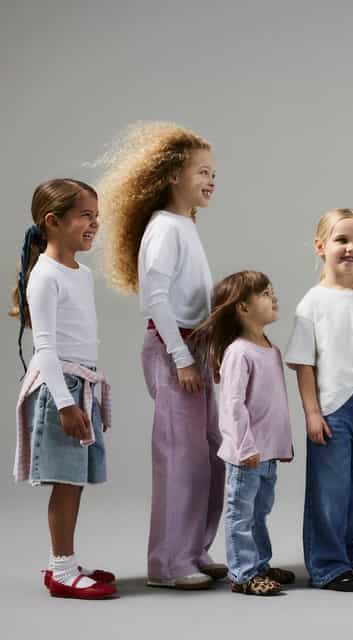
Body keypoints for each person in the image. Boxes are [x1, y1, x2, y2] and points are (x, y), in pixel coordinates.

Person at [98, 122, 225, 589]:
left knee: (211, 453)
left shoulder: (185, 225)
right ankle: (167, 563)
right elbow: (154, 298)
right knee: (180, 457)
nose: (211, 181)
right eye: (202, 172)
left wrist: (208, 349)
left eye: (214, 174)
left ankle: (195, 549)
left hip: (197, 346)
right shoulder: (164, 228)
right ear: (172, 175)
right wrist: (181, 358)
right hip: (175, 349)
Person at [12, 179, 116, 599]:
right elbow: (46, 348)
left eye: (96, 216)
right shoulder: (44, 276)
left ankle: (67, 562)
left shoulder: (81, 273)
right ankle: (61, 570)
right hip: (61, 388)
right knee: (65, 481)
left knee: (74, 479)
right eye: (85, 216)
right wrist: (65, 403)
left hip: (79, 383)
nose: (94, 224)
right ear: (53, 221)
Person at [285, 208, 353, 591]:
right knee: (330, 490)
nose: (351, 248)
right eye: (342, 240)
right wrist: (312, 413)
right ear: (320, 246)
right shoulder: (312, 303)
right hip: (333, 406)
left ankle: (349, 555)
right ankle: (327, 565)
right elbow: (303, 363)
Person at [190, 270, 295, 596]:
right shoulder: (239, 352)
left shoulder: (271, 349)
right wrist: (245, 446)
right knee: (241, 514)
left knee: (259, 513)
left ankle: (260, 564)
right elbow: (233, 406)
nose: (273, 297)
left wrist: (282, 445)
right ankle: (243, 573)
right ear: (243, 308)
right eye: (265, 294)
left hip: (268, 453)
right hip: (246, 455)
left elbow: (274, 404)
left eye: (272, 291)